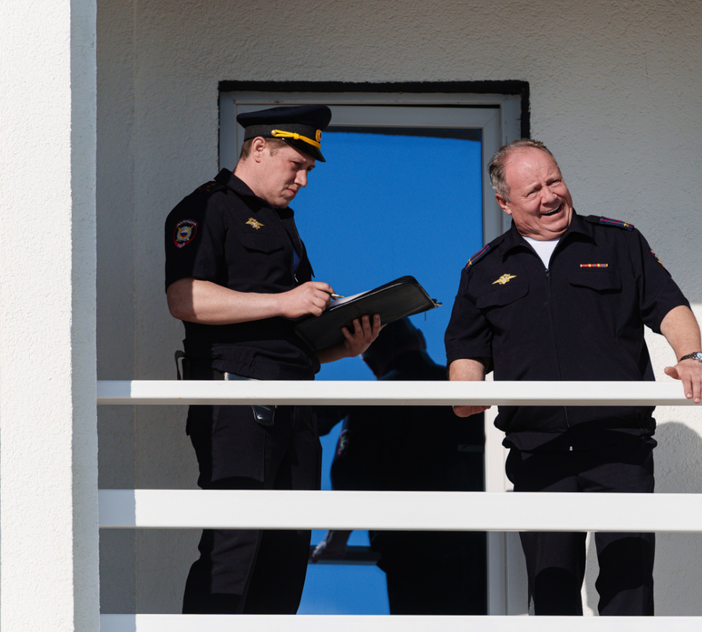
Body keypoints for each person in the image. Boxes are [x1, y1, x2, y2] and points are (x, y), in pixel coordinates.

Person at [444, 139, 702, 616]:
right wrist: (464, 395)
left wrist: (692, 356)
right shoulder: (483, 270)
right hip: (538, 452)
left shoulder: (619, 241)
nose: (550, 196)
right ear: (504, 202)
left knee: (628, 589)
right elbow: (467, 352)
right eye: (532, 190)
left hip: (618, 445)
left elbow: (669, 305)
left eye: (554, 181)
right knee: (552, 594)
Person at [164, 105, 381, 614]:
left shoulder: (282, 223)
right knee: (236, 545)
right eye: (296, 165)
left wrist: (341, 347)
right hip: (239, 400)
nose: (303, 180)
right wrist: (284, 301)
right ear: (259, 148)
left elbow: (286, 339)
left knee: (287, 556)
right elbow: (184, 299)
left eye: (309, 170)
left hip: (295, 404)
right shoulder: (208, 207)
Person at [311, 318, 488, 615]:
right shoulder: (465, 395)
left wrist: (335, 540)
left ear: (369, 362)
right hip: (480, 540)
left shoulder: (373, 402)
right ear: (420, 338)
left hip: (411, 546)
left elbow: (353, 478)